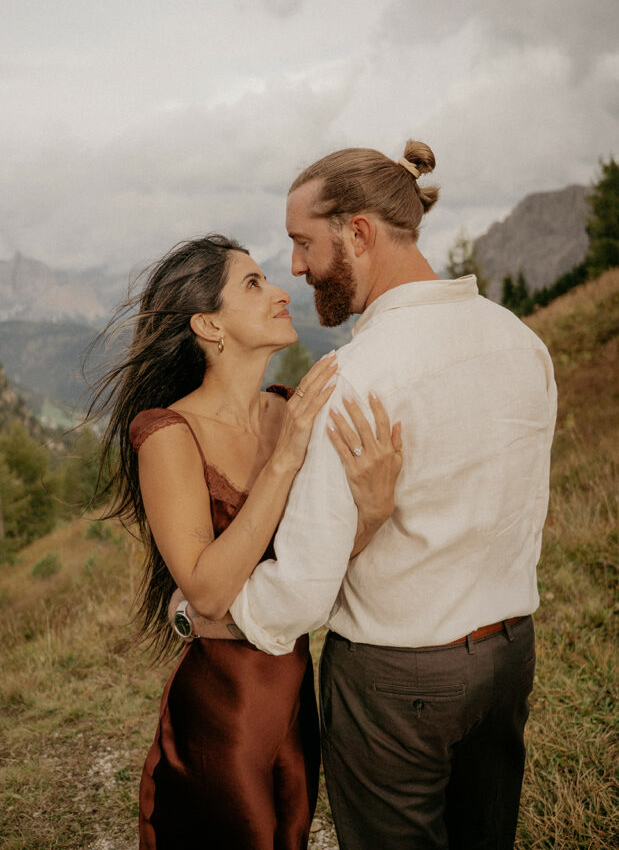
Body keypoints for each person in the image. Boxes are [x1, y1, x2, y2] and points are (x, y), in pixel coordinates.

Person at [196, 142, 557, 850]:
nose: (295, 267)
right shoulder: (519, 341)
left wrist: (204, 613)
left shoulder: (349, 381)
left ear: (357, 233)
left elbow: (300, 591)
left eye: (304, 243)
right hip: (509, 655)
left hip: (400, 681)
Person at [88, 234, 402, 850]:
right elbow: (204, 589)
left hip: (294, 692)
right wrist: (285, 460)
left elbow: (321, 563)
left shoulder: (290, 409)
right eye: (253, 284)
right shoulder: (167, 433)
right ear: (209, 324)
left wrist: (372, 511)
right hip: (223, 711)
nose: (282, 290)